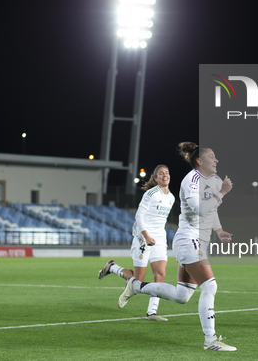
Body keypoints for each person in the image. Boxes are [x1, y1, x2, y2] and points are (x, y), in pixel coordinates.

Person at [107, 142, 236, 351]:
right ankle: (210, 340)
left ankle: (136, 286)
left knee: (182, 295)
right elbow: (200, 209)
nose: (216, 160)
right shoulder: (191, 180)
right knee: (210, 286)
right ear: (199, 161)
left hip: (194, 241)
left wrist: (219, 230)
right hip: (188, 240)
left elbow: (211, 211)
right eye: (212, 157)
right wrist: (222, 193)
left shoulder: (212, 181)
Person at [98, 165, 175, 321]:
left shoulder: (171, 197)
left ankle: (151, 313)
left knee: (160, 275)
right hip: (143, 237)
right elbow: (139, 216)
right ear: (155, 178)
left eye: (166, 173)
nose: (165, 175)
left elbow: (162, 221)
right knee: (138, 280)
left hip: (159, 239)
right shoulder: (151, 194)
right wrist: (146, 236)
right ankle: (112, 267)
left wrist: (163, 239)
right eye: (161, 174)